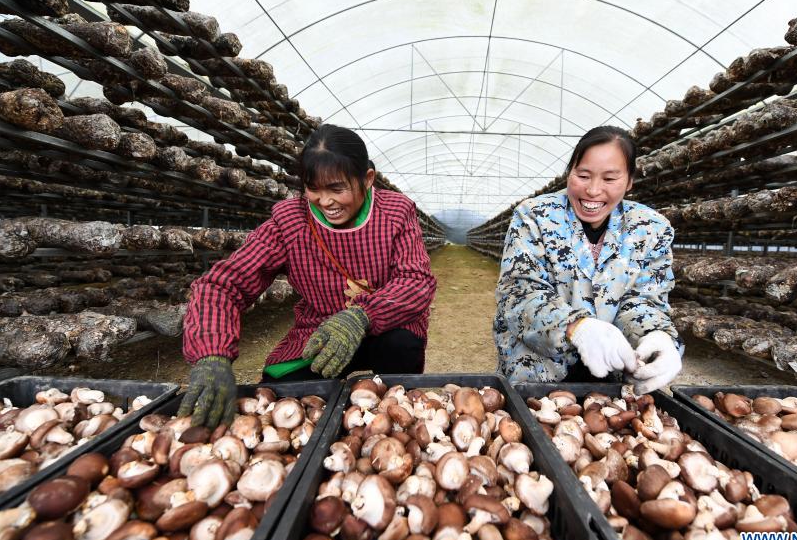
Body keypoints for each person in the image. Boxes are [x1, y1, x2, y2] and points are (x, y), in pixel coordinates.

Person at [179, 124, 437, 427]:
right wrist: (211, 354)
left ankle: (394, 405)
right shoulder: (289, 222)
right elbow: (223, 285)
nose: (325, 201)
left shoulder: (396, 212)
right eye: (314, 188)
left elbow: (416, 280)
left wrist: (361, 316)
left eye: (337, 188)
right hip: (319, 332)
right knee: (282, 398)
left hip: (386, 328)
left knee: (401, 345)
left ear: (367, 179)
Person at [493, 126, 682, 393]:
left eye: (610, 179)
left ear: (629, 182)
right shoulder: (535, 216)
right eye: (583, 175)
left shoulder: (650, 228)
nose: (593, 190)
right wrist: (576, 327)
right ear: (569, 172)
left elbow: (643, 300)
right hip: (538, 373)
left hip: (616, 371)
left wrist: (656, 335)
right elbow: (519, 292)